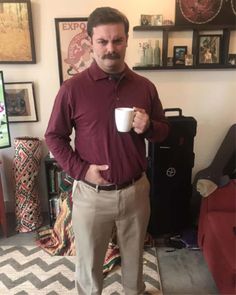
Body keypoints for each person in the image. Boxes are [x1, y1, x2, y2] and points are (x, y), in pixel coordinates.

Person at [45, 6, 169, 295]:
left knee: (135, 262)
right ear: (90, 42)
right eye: (103, 41)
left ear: (127, 40)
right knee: (88, 267)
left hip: (136, 190)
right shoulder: (72, 89)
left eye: (118, 40)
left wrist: (149, 126)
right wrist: (81, 170)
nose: (111, 49)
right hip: (90, 195)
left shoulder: (145, 87)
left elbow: (164, 131)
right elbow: (54, 136)